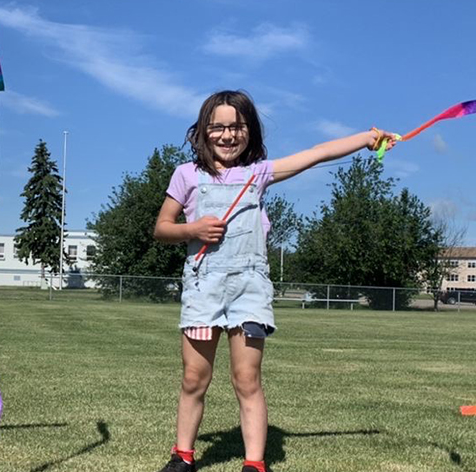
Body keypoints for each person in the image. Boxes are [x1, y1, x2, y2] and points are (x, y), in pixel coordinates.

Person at [153, 90, 397, 472]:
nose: (228, 135)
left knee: (247, 379)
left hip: (249, 289)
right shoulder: (187, 175)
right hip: (204, 289)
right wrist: (192, 229)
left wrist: (366, 139)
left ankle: (254, 463)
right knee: (193, 378)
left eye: (237, 126)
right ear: (203, 131)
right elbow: (161, 228)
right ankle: (182, 456)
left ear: (250, 130)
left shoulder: (259, 173)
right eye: (218, 127)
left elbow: (316, 153)